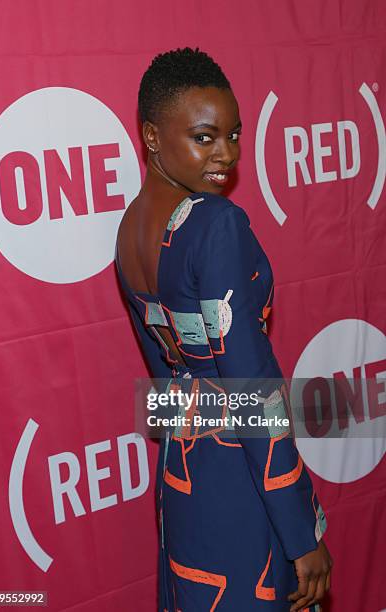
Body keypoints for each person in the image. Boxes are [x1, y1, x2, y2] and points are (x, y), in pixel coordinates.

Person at [115, 47, 332, 612]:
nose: (227, 155)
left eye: (233, 135)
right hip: (242, 482)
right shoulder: (215, 225)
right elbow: (250, 388)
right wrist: (300, 532)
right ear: (152, 137)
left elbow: (166, 383)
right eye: (206, 137)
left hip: (183, 480)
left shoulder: (130, 227)